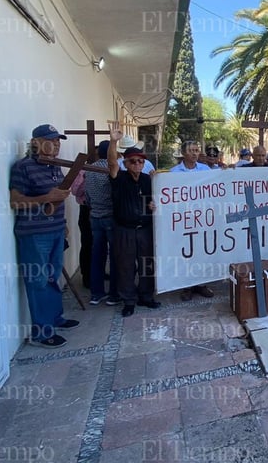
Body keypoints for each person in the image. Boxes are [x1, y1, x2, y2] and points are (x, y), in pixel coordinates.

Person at [9, 124, 79, 348]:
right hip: (34, 233)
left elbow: (58, 198)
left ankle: (55, 318)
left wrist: (64, 224)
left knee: (53, 276)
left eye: (58, 140)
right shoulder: (23, 168)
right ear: (36, 143)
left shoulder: (55, 167)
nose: (56, 144)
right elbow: (15, 201)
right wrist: (47, 197)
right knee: (38, 281)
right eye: (51, 140)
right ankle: (42, 332)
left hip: (56, 229)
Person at [107, 125, 161, 317]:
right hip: (125, 230)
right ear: (126, 163)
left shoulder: (148, 180)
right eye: (133, 161)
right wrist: (113, 141)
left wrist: (154, 205)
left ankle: (146, 296)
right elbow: (112, 162)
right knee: (126, 265)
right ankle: (128, 300)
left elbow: (160, 199)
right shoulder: (119, 178)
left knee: (147, 264)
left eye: (140, 161)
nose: (137, 164)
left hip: (145, 229)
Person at [170, 140, 216, 300]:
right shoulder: (174, 172)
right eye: (191, 150)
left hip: (202, 218)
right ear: (183, 153)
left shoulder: (205, 170)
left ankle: (201, 284)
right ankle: (187, 286)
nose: (195, 153)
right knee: (186, 252)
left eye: (197, 150)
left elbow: (216, 188)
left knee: (202, 251)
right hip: (184, 219)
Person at [84, 140, 121, 306]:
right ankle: (114, 294)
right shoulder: (112, 169)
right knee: (115, 257)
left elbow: (87, 197)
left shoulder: (89, 170)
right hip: (110, 217)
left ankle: (96, 294)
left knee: (97, 256)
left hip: (95, 217)